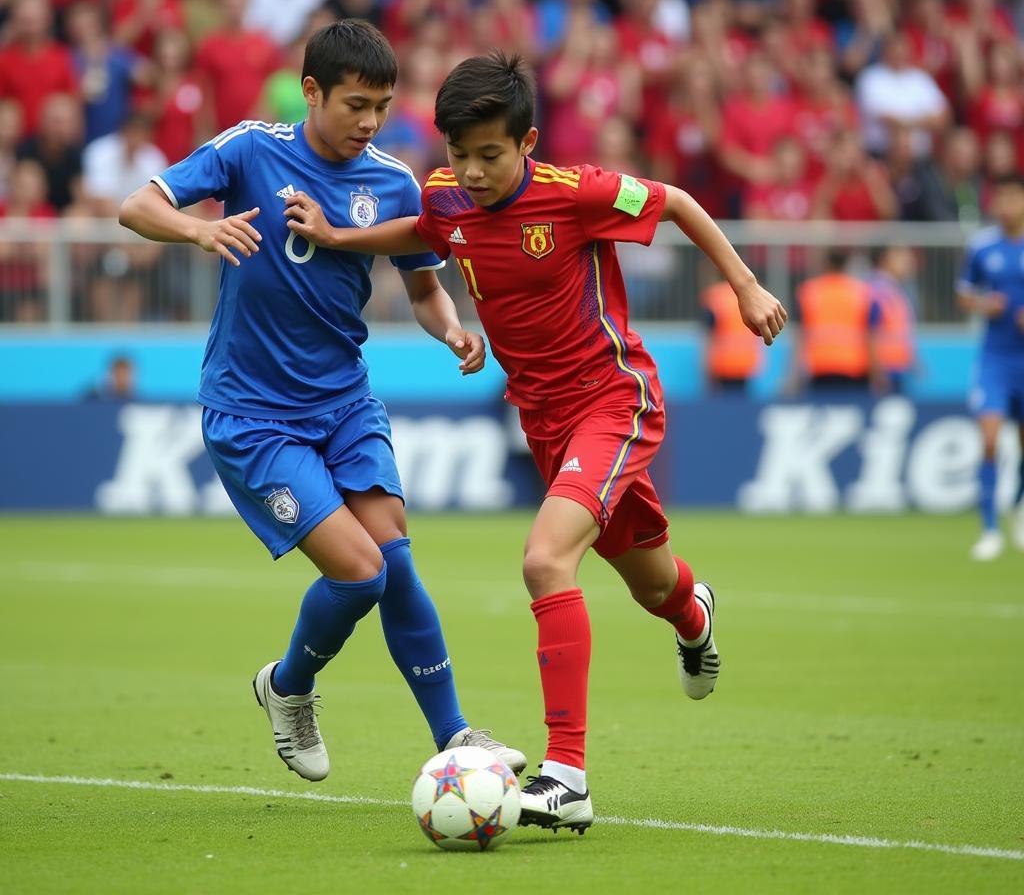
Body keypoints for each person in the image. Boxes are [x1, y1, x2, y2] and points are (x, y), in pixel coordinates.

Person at [281, 51, 786, 832]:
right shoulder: (448, 198)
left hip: (616, 399)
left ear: (528, 142)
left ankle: (568, 775)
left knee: (545, 560)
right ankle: (695, 615)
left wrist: (746, 287)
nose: (473, 172)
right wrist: (340, 239)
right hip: (545, 419)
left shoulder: (575, 193)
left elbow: (679, 202)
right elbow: (423, 228)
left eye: (490, 154)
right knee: (652, 583)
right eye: (459, 154)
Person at [118, 20, 524, 783]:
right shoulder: (250, 149)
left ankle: (457, 735)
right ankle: (289, 687)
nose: (369, 122)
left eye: (381, 106)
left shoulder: (393, 183)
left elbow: (425, 289)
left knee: (394, 561)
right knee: (360, 573)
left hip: (343, 404)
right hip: (253, 415)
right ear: (312, 92)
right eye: (355, 105)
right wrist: (197, 234)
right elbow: (136, 206)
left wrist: (452, 332)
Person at [956, 174, 1024, 561]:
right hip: (995, 358)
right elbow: (964, 294)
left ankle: (1017, 507)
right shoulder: (983, 247)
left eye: (1014, 197)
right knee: (990, 438)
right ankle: (989, 529)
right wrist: (985, 306)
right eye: (1001, 198)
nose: (1007, 205)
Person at [793, 248, 882, 393]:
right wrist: (877, 375)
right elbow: (870, 337)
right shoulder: (862, 292)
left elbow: (801, 337)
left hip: (821, 367)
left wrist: (795, 375)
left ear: (825, 264)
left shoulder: (809, 292)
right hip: (854, 368)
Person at [869, 245, 917, 394]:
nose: (908, 260)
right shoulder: (877, 290)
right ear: (884, 259)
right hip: (884, 370)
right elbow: (871, 331)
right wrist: (876, 370)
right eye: (899, 254)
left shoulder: (895, 289)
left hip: (896, 367)